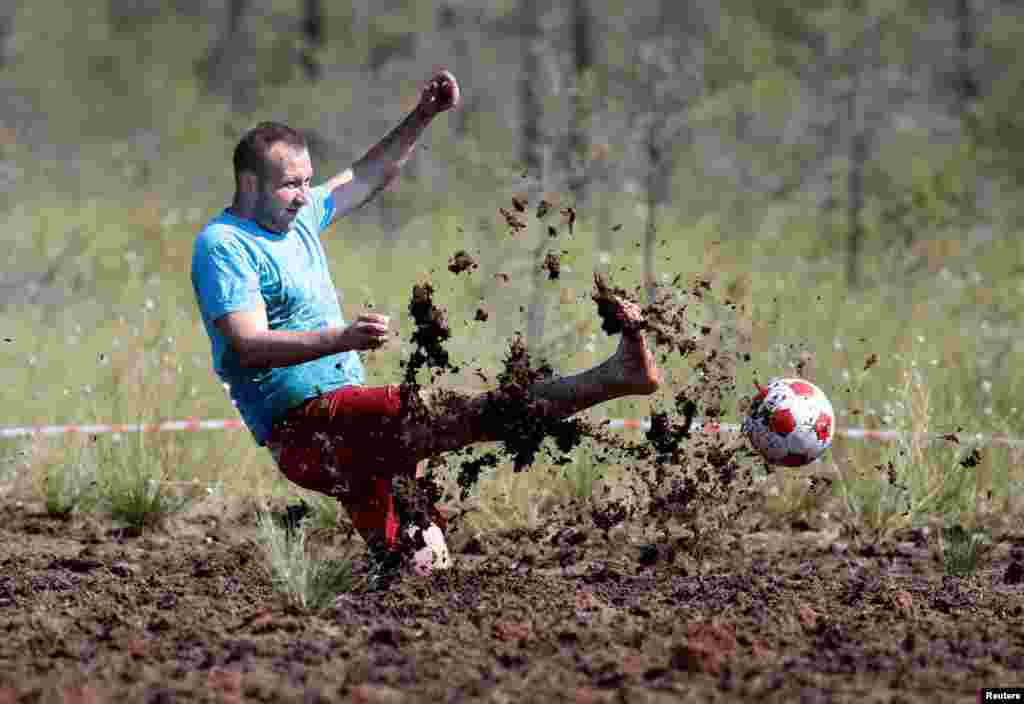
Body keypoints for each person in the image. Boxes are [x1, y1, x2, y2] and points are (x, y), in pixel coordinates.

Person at [191, 70, 661, 576]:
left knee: (422, 570)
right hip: (309, 428)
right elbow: (247, 345)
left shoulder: (298, 218)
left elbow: (366, 175)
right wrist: (342, 338)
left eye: (307, 181)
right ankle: (615, 378)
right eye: (290, 185)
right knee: (468, 412)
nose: (305, 196)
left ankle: (368, 617)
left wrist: (422, 116)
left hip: (354, 431)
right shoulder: (225, 244)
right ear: (249, 184)